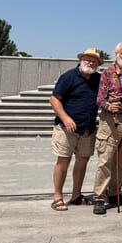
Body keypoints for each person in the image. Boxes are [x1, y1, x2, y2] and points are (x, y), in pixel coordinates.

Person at [92, 42, 122, 215]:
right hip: (111, 119)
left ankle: (114, 192)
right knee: (106, 158)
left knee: (120, 160)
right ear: (116, 54)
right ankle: (99, 197)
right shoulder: (107, 73)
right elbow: (99, 99)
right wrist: (109, 106)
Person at [49, 48, 102, 211]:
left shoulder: (98, 79)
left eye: (94, 61)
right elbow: (54, 99)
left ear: (98, 64)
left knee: (82, 160)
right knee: (63, 160)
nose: (90, 62)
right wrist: (65, 117)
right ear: (81, 60)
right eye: (87, 59)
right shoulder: (69, 76)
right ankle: (57, 196)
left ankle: (76, 195)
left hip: (88, 128)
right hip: (67, 128)